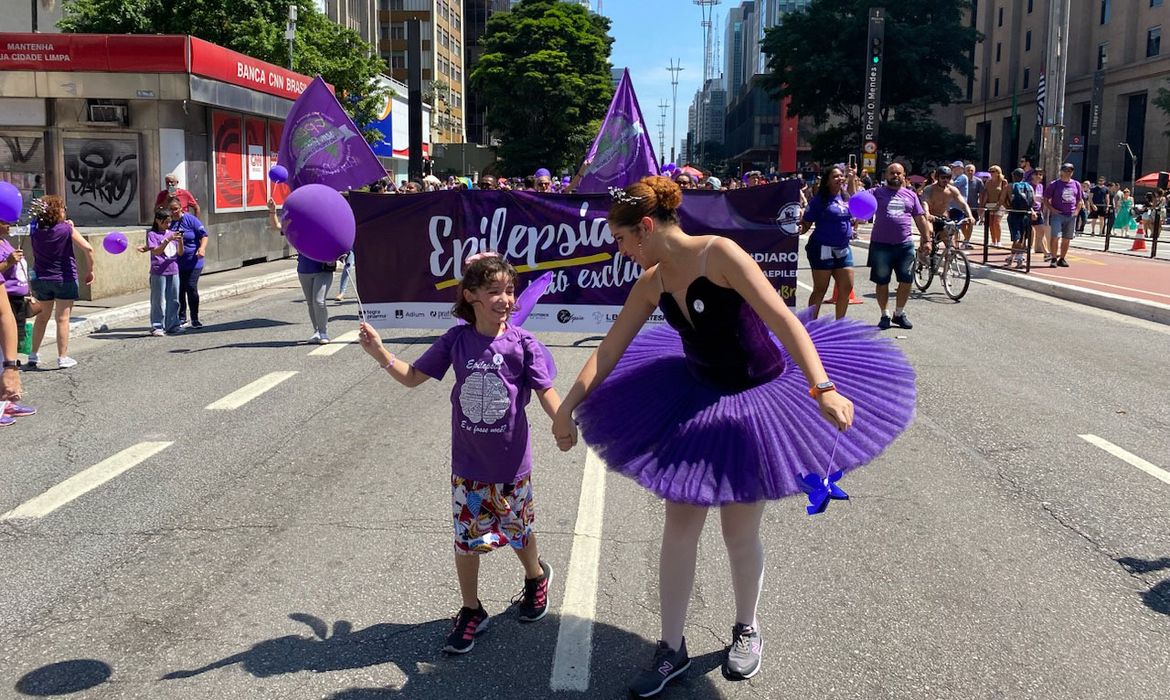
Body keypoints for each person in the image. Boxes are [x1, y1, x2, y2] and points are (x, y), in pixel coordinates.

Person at [552, 176, 914, 697]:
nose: (620, 249)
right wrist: (567, 407)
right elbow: (607, 351)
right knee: (680, 527)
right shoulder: (651, 282)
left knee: (738, 532)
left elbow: (784, 321)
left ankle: (746, 626)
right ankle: (670, 648)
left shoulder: (720, 254)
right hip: (695, 399)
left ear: (647, 227)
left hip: (757, 402)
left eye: (623, 239)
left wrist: (823, 387)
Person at [357, 253, 562, 655]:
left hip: (511, 466)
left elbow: (545, 391)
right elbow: (413, 378)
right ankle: (472, 610)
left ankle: (536, 578)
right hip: (468, 467)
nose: (505, 299)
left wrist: (562, 420)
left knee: (518, 530)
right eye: (494, 291)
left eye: (509, 291)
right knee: (468, 541)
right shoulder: (456, 340)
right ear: (470, 296)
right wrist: (380, 353)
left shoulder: (523, 344)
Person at [27, 196, 94, 369]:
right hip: (64, 278)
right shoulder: (66, 229)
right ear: (57, 211)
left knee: (42, 318)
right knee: (62, 319)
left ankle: (33, 355)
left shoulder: (34, 229)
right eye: (63, 208)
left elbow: (36, 221)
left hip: (41, 278)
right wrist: (90, 270)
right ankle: (62, 357)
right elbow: (88, 248)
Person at [872, 163, 933, 329]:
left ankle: (899, 313)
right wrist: (850, 179)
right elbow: (857, 198)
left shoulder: (911, 195)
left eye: (899, 173)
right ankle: (884, 314)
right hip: (881, 245)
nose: (895, 175)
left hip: (904, 245)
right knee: (882, 281)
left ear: (904, 176)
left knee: (906, 279)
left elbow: (920, 218)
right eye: (892, 172)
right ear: (886, 175)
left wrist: (926, 239)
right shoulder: (876, 193)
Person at [267, 199, 334, 343]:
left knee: (319, 301)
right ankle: (316, 331)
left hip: (323, 269)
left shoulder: (324, 225)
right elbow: (276, 226)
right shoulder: (295, 226)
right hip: (304, 269)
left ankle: (323, 332)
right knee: (310, 303)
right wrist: (272, 210)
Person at [799, 166, 858, 320]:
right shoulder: (819, 200)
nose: (840, 179)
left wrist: (852, 179)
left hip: (843, 249)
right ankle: (810, 325)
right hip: (821, 249)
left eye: (841, 176)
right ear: (827, 182)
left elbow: (856, 204)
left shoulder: (845, 198)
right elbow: (806, 223)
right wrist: (797, 230)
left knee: (846, 288)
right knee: (820, 289)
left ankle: (839, 326)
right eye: (835, 177)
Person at [136, 208, 183, 336]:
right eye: (165, 222)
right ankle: (157, 326)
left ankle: (173, 324)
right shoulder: (152, 235)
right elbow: (156, 251)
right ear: (157, 221)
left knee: (174, 299)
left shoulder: (172, 233)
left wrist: (180, 241)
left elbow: (179, 252)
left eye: (169, 222)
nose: (168, 225)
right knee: (158, 300)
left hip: (173, 269)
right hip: (159, 271)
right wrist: (167, 240)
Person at [167, 196, 208, 328]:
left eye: (176, 209)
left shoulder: (191, 220)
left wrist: (201, 248)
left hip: (193, 261)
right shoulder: (168, 223)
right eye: (171, 210)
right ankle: (182, 317)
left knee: (190, 287)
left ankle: (195, 318)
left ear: (181, 208)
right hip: (175, 262)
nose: (173, 212)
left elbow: (204, 235)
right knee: (179, 289)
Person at [1043, 163, 1084, 268]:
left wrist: (1076, 211)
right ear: (1061, 171)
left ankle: (1062, 258)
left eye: (1070, 171)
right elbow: (1046, 199)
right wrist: (1052, 210)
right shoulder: (1054, 184)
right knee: (1055, 236)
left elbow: (1079, 200)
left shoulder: (1076, 184)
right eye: (1065, 170)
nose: (1068, 173)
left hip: (1071, 215)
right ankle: (1053, 258)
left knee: (1067, 238)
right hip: (1058, 214)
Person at [1005, 168, 1037, 269]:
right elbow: (1033, 201)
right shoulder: (1029, 187)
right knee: (1022, 237)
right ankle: (1014, 257)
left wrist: (1008, 207)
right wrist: (1031, 211)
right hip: (1025, 214)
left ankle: (1018, 258)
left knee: (1016, 238)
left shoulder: (1009, 186)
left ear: (1014, 176)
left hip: (1014, 214)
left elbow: (1001, 200)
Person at [979, 165, 1009, 247]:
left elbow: (1004, 194)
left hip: (1000, 204)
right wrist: (982, 205)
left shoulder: (1003, 181)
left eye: (993, 171)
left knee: (996, 222)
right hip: (990, 204)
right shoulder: (988, 182)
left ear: (998, 172)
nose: (991, 173)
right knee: (990, 223)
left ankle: (999, 241)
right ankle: (993, 241)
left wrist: (999, 204)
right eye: (990, 171)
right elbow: (986, 194)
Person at [1029, 169, 1050, 259]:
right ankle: (1029, 248)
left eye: (1040, 175)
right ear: (1032, 175)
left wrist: (1041, 209)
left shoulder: (1040, 186)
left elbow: (1041, 200)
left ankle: (1046, 253)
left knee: (1041, 231)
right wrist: (1032, 211)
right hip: (1030, 211)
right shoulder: (1029, 186)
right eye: (1036, 174)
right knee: (1029, 231)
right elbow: (1027, 200)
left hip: (1038, 211)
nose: (1039, 176)